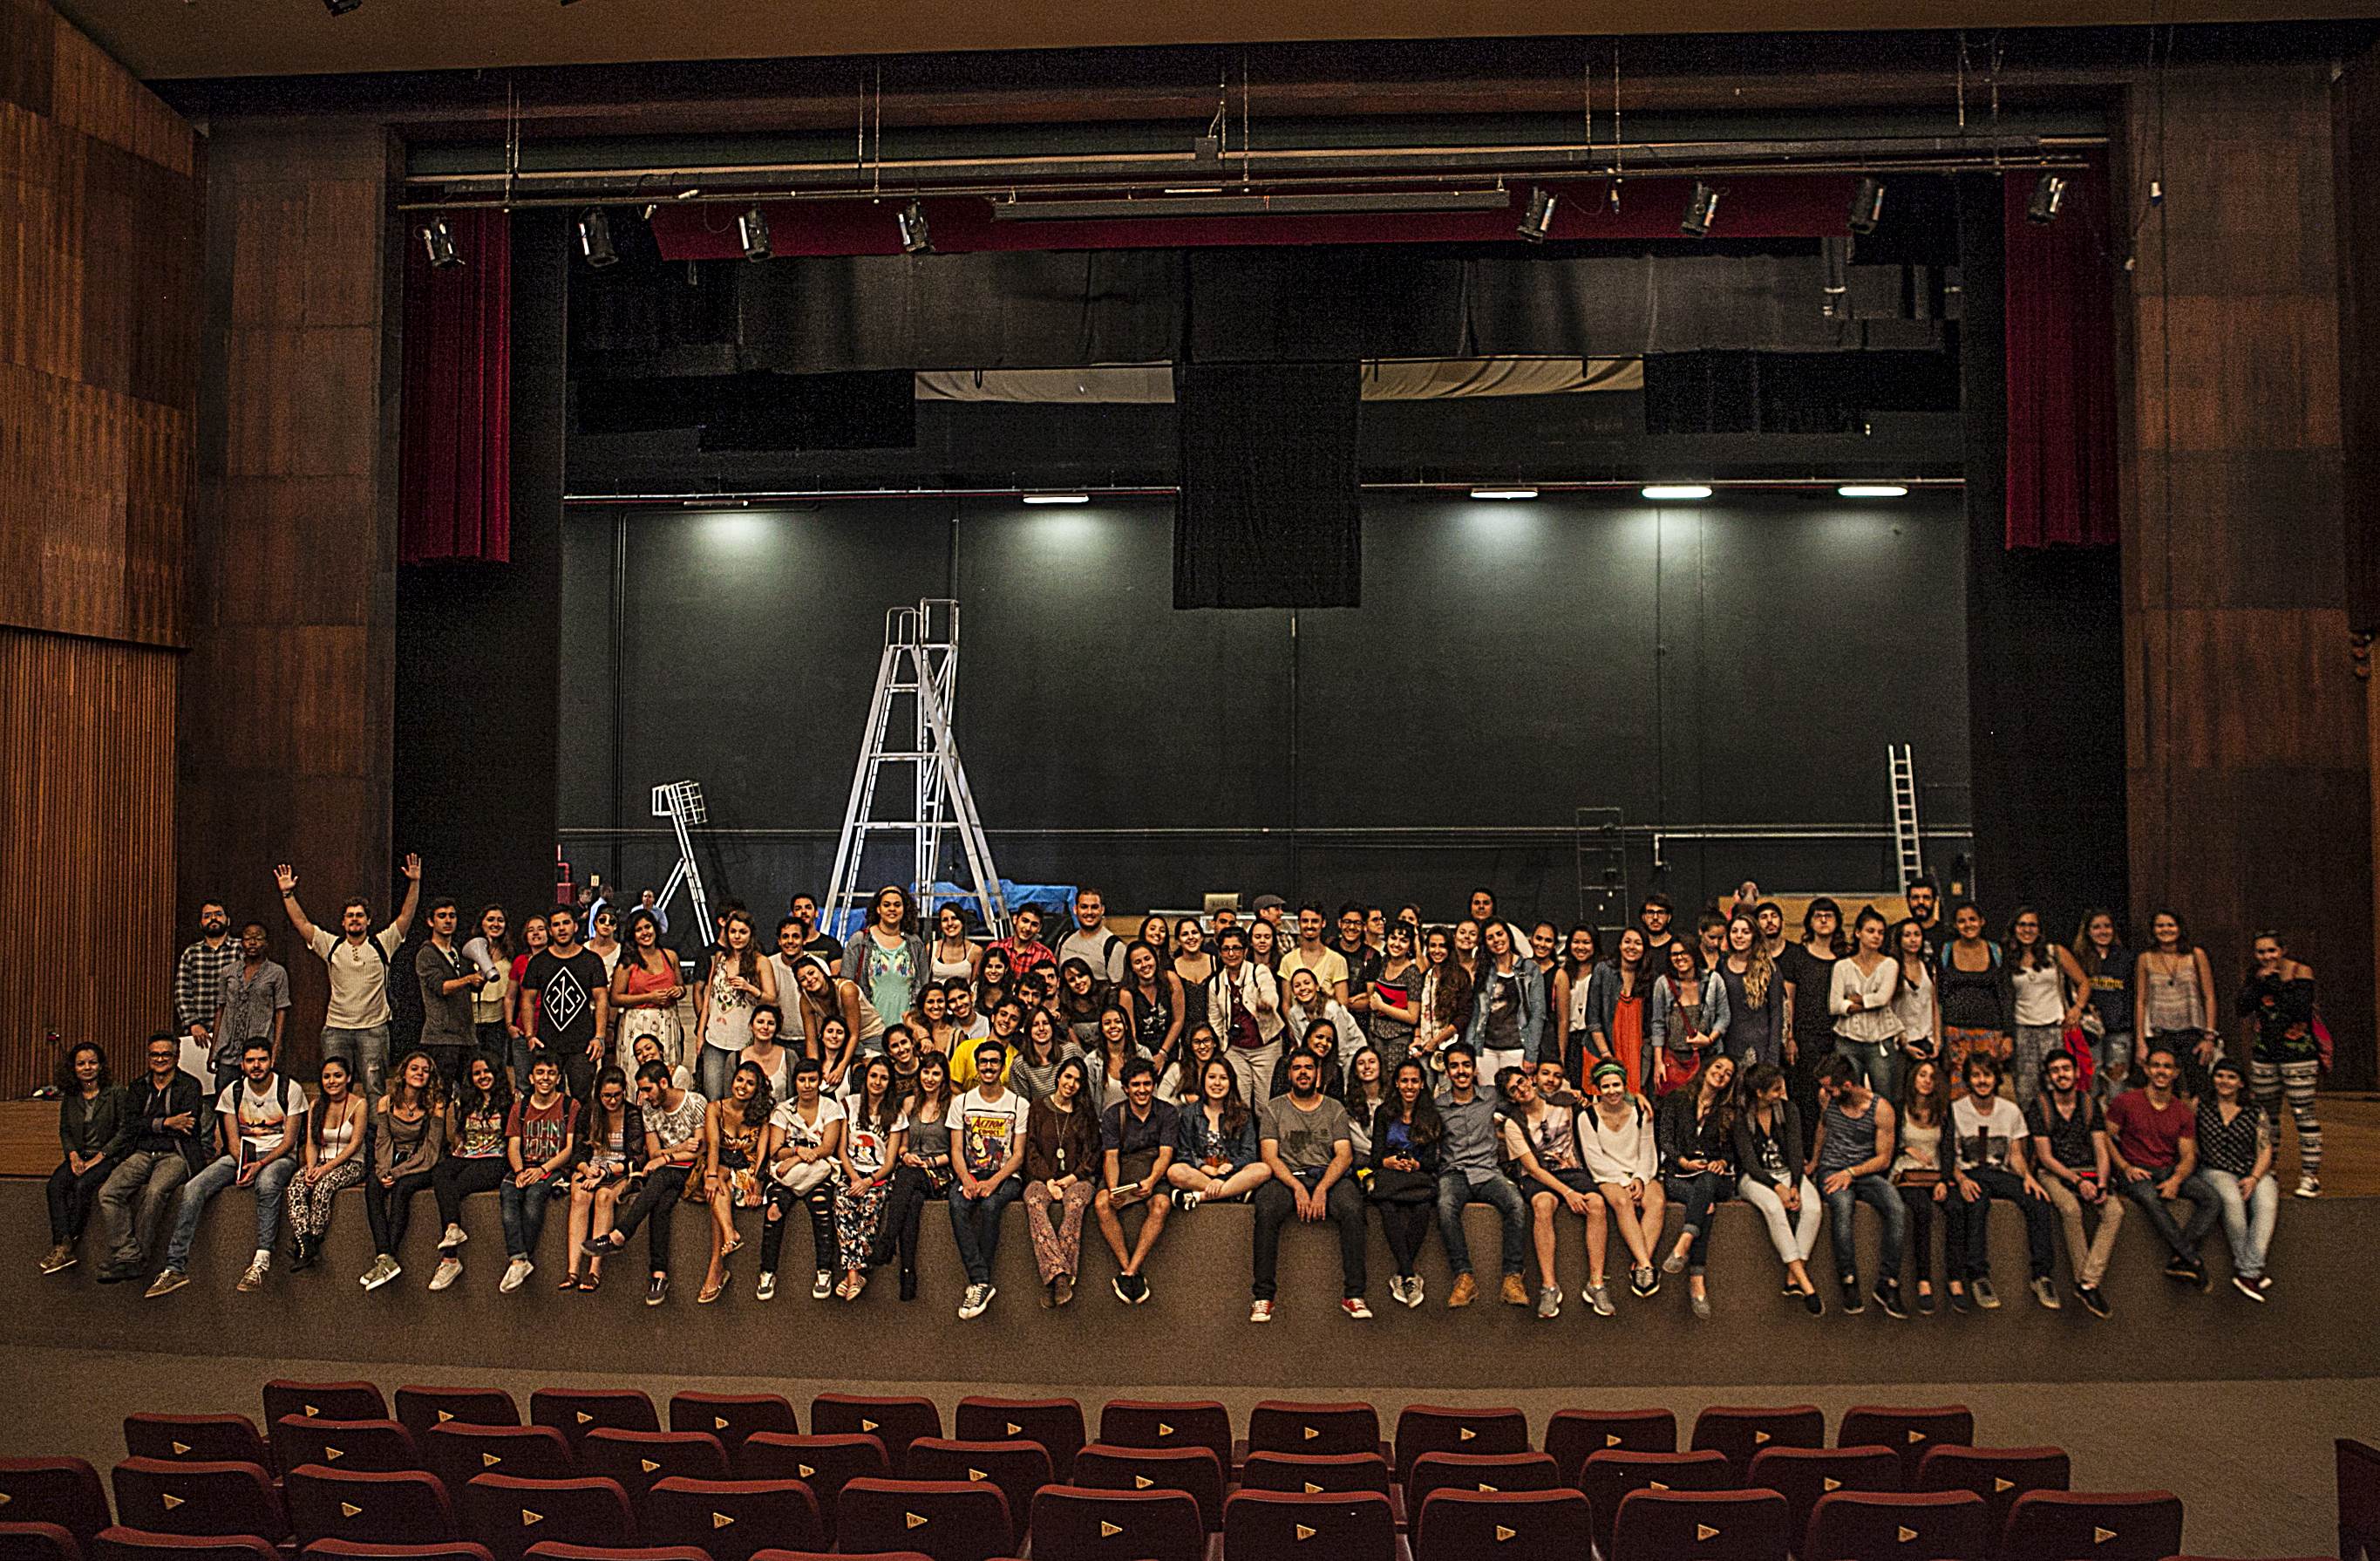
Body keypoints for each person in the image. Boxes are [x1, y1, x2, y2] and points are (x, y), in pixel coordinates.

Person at [148, 1037, 309, 1297]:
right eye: (250, 1061)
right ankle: (175, 1267)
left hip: (278, 1155)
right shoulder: (232, 1091)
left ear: (271, 1061)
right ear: (242, 1064)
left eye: (262, 1060)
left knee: (267, 1183)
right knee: (194, 1187)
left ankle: (261, 1261)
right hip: (242, 1154)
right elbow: (232, 1141)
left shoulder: (289, 1089)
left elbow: (289, 1141)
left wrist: (259, 1165)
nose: (256, 1066)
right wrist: (245, 1164)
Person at [277, 854, 422, 1098]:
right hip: (336, 1029)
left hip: (374, 1029)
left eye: (360, 915)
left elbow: (406, 916)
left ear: (368, 921)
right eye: (350, 916)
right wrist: (287, 894)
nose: (355, 919)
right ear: (343, 922)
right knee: (335, 1089)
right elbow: (302, 923)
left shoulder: (383, 943)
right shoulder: (331, 945)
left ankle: (375, 1126)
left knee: (374, 1089)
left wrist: (414, 882)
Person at [1248, 1048, 1369, 1323]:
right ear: (1289, 1074)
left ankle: (1354, 1294)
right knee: (1266, 1208)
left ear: (1318, 1074)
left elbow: (1344, 1155)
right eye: (1297, 1068)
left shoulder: (1334, 1108)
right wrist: (1298, 1188)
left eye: (1309, 1068)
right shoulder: (1274, 1108)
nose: (1303, 1073)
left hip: (1328, 1176)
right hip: (1287, 1177)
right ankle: (1263, 1297)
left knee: (1352, 1207)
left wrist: (1322, 1188)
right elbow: (1269, 1157)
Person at [581, 1061, 707, 1306]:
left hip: (694, 1170)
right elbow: (653, 1152)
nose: (644, 1097)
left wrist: (667, 1157)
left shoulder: (695, 1102)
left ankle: (620, 1234)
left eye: (648, 1089)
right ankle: (658, 1275)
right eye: (641, 1090)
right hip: (668, 1169)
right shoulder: (649, 1108)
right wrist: (679, 1149)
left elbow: (700, 1149)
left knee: (661, 1176)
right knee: (661, 1206)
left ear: (664, 1083)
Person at [1942, 1053, 2060, 1312]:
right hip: (1970, 1173)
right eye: (1976, 1075)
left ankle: (2042, 1276)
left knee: (2038, 1201)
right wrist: (1960, 1179)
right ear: (1967, 1080)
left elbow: (2015, 1155)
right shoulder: (1955, 1109)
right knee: (1976, 1202)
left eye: (1987, 1075)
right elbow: (1947, 1156)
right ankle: (1978, 1276)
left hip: (2000, 1172)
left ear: (1996, 1079)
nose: (1982, 1081)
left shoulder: (2011, 1111)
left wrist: (2028, 1177)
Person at [94, 1033, 210, 1284]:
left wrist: (150, 1124)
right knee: (109, 1192)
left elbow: (187, 1125)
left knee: (155, 1192)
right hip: (142, 1153)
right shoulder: (138, 1087)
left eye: (165, 1054)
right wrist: (166, 1122)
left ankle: (136, 1260)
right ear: (148, 1057)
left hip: (176, 1153)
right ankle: (128, 1254)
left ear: (176, 1057)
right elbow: (130, 1125)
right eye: (155, 1054)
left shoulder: (190, 1086)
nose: (160, 1059)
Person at [1503, 1057, 1613, 1319]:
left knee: (1597, 1204)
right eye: (1513, 1090)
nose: (1521, 1089)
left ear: (1530, 1079)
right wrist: (1567, 1193)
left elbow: (1605, 1104)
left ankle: (1596, 1284)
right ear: (1510, 1098)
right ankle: (1549, 1287)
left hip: (1571, 1170)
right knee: (1543, 1206)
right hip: (1539, 1176)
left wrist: (1636, 1098)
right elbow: (1533, 1169)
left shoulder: (1565, 1103)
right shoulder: (1513, 1123)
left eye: (1521, 1082)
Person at [2105, 1045, 2220, 1290]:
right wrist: (2124, 1167)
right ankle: (2194, 1260)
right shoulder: (2126, 1101)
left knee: (2211, 1198)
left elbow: (2188, 1155)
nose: (2161, 1071)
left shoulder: (2182, 1111)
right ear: (2147, 1070)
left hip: (2168, 1169)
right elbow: (2104, 1137)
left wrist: (2176, 1180)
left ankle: (2180, 1258)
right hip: (2135, 1168)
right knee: (2149, 1197)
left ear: (2176, 1073)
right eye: (2156, 1066)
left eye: (2167, 1067)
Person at [1807, 1054, 1907, 1318]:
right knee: (1842, 1207)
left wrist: (1851, 1173)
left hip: (1864, 1170)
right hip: (1832, 1168)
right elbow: (1822, 1127)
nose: (1827, 1093)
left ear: (1848, 1085)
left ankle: (1888, 1282)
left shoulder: (1881, 1109)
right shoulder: (1826, 1098)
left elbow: (1883, 1159)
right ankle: (1848, 1280)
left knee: (1895, 1207)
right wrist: (1815, 1162)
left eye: (1832, 1088)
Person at [1431, 1044, 1530, 1307]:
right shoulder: (1437, 1106)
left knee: (1516, 1203)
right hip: (1454, 1172)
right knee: (1445, 1206)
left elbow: (1526, 1100)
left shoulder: (1490, 1096)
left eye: (1466, 1065)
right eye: (1454, 1066)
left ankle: (1512, 1279)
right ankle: (1464, 1278)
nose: (1461, 1071)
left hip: (1488, 1171)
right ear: (1447, 1071)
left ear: (1475, 1069)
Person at [2026, 1049, 2120, 1317]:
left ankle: (2087, 1281)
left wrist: (2102, 1183)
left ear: (2077, 1073)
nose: (2061, 1075)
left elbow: (2101, 1148)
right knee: (2070, 1209)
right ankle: (2087, 1283)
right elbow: (2045, 1157)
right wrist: (2077, 1182)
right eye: (2055, 1071)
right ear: (2049, 1076)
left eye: (2066, 1069)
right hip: (2055, 1172)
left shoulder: (2089, 1104)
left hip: (2089, 1170)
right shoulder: (2040, 1106)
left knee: (2115, 1211)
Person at [1731, 1061, 1824, 1312]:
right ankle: (1806, 1284)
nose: (1781, 1093)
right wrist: (1777, 1187)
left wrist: (1794, 1184)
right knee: (1774, 1208)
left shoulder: (1788, 1110)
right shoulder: (1741, 1116)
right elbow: (1749, 1163)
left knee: (1813, 1209)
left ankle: (1793, 1278)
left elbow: (1796, 1149)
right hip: (1755, 1178)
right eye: (1775, 1090)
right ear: (1759, 1093)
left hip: (1788, 1173)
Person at [949, 1038, 1029, 1319]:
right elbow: (956, 1150)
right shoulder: (961, 1102)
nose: (988, 1067)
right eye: (983, 1062)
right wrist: (967, 1180)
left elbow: (1018, 1155)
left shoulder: (1019, 1104)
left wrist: (993, 1183)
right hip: (970, 1174)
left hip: (1006, 1176)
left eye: (994, 1062)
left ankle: (978, 1283)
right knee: (957, 1205)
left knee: (991, 1206)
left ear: (1002, 1066)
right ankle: (981, 1281)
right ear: (976, 1066)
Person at [2238, 931, 2322, 1197]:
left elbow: (2299, 1010)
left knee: (2303, 1113)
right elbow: (2242, 1007)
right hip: (2265, 1053)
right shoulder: (2256, 975)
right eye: (2261, 952)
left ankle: (2310, 1175)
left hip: (2298, 1053)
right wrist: (2257, 984)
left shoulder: (2301, 971)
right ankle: (2268, 1170)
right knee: (2267, 1116)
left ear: (2282, 950)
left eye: (2271, 951)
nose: (2266, 957)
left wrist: (2274, 983)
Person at [1656, 1053, 1737, 1319]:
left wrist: (1722, 1162)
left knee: (1708, 1182)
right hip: (1679, 1174)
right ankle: (1696, 1279)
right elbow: (1665, 1139)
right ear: (1706, 1068)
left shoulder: (1728, 1111)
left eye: (1728, 1073)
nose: (1721, 1074)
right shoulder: (1677, 1098)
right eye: (1718, 1067)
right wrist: (1683, 1161)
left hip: (1714, 1177)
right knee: (1706, 1206)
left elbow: (1733, 1151)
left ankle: (1684, 1243)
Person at [1576, 1060, 1666, 1299]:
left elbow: (1647, 1150)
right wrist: (1623, 1183)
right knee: (1623, 1202)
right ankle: (1646, 1265)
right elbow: (1594, 1159)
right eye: (1606, 1086)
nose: (1612, 1091)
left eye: (1616, 1085)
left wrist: (1639, 1178)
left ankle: (1639, 1265)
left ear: (1624, 1086)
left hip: (1639, 1170)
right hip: (1608, 1175)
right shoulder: (1587, 1117)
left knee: (1656, 1201)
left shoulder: (1641, 1112)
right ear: (1598, 1089)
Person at [756, 1054, 840, 1303]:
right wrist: (796, 1152)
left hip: (818, 1173)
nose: (807, 1085)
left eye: (812, 1079)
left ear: (819, 1081)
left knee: (822, 1207)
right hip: (787, 1178)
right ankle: (767, 1272)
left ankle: (824, 1271)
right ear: (795, 1082)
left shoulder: (830, 1108)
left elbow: (828, 1147)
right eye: (802, 1080)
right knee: (774, 1210)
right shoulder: (783, 1110)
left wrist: (795, 1159)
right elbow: (776, 1150)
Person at [359, 1050, 445, 1291]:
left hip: (423, 1164)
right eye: (414, 1068)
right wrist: (383, 1171)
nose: (420, 1073)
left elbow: (430, 1152)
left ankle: (389, 1256)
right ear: (404, 1073)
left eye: (425, 1070)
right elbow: (383, 1141)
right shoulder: (386, 1102)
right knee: (373, 1186)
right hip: (394, 1159)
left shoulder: (435, 1105)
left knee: (403, 1189)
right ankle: (384, 1256)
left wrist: (396, 1174)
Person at [426, 1056, 513, 1292]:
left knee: (456, 1187)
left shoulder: (511, 1102)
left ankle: (450, 1259)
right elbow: (459, 1135)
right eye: (477, 1073)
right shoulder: (465, 1100)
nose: (483, 1077)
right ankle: (453, 1229)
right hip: (467, 1155)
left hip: (495, 1159)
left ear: (496, 1073)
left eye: (487, 1071)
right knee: (440, 1173)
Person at [1095, 1058, 1177, 1303]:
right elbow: (1111, 1157)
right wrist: (1114, 1189)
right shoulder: (1113, 1115)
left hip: (1154, 1171)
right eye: (1136, 1085)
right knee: (1101, 1203)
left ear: (1154, 1085)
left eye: (1147, 1084)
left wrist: (1151, 1181)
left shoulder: (1167, 1113)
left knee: (1161, 1205)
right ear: (1125, 1088)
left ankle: (1131, 1271)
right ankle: (1127, 1267)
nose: (1142, 1090)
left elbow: (1166, 1154)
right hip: (1123, 1169)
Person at [1022, 1055, 1101, 1306]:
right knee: (1034, 1201)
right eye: (1068, 1077)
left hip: (1078, 1178)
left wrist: (1071, 1178)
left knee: (1075, 1203)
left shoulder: (1084, 1113)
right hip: (1042, 1178)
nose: (1071, 1084)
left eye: (1078, 1080)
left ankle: (1055, 1279)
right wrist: (1049, 1180)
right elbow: (1030, 1149)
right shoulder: (1037, 1108)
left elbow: (1093, 1153)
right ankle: (1060, 1276)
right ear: (1058, 1077)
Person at [2196, 1058, 2278, 1299]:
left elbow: (2265, 1149)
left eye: (2231, 1077)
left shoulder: (2255, 1111)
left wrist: (2254, 1177)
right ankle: (2251, 1271)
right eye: (2220, 1075)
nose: (2225, 1081)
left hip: (2251, 1169)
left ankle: (2247, 1271)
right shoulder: (2200, 1105)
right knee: (2232, 1201)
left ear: (2241, 1083)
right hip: (2215, 1168)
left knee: (2267, 1204)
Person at [498, 1053, 579, 1293]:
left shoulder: (569, 1105)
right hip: (524, 1165)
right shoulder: (520, 1107)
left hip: (553, 1167)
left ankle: (523, 1257)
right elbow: (513, 1145)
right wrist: (520, 1171)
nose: (546, 1078)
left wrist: (542, 1170)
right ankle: (518, 1260)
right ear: (531, 1078)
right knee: (508, 1192)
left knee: (535, 1195)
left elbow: (569, 1149)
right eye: (540, 1073)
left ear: (558, 1078)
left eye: (551, 1073)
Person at [41, 1040, 123, 1274]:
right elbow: (65, 1130)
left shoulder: (116, 1092)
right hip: (80, 1155)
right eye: (81, 1064)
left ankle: (68, 1244)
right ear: (73, 1068)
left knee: (82, 1186)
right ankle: (62, 1244)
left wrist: (100, 1157)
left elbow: (124, 1131)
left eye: (92, 1062)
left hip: (108, 1156)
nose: (87, 1068)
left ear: (101, 1065)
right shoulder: (71, 1095)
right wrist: (73, 1156)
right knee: (55, 1186)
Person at [697, 1060, 775, 1305]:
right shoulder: (715, 1108)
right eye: (740, 1080)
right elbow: (713, 1146)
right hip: (720, 1165)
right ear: (732, 1081)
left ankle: (717, 1265)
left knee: (721, 1191)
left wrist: (758, 1185)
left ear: (757, 1089)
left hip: (747, 1170)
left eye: (750, 1083)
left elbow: (763, 1154)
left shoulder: (762, 1113)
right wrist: (711, 1176)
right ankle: (729, 1234)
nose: (743, 1086)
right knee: (716, 1180)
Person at [879, 1054, 955, 1302]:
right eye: (926, 1072)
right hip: (911, 1171)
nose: (929, 1078)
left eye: (936, 1073)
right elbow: (901, 1146)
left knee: (908, 1177)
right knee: (912, 1203)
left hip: (940, 1171)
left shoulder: (953, 1104)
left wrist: (929, 1162)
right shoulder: (909, 1103)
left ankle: (887, 1240)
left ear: (944, 1078)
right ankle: (907, 1274)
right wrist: (905, 1155)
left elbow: (957, 1151)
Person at [833, 1055, 908, 1299]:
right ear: (865, 1078)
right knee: (843, 1203)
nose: (877, 1082)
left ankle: (852, 1274)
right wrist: (855, 1178)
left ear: (890, 1083)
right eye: (873, 1076)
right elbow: (841, 1150)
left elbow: (890, 1162)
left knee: (869, 1207)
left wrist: (868, 1182)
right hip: (851, 1172)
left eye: (883, 1078)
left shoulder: (896, 1114)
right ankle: (855, 1274)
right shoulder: (849, 1104)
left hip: (878, 1177)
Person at [284, 1056, 368, 1273]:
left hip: (351, 1162)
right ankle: (305, 1242)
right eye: (326, 1077)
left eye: (337, 1076)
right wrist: (312, 1167)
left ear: (348, 1078)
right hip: (320, 1160)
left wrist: (324, 1170)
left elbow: (355, 1145)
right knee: (296, 1185)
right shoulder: (316, 1105)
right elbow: (311, 1142)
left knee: (324, 1186)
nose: (332, 1081)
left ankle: (314, 1239)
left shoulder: (359, 1104)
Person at [520, 907, 611, 1101]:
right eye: (556, 925)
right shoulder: (538, 962)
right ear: (550, 930)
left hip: (583, 1045)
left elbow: (602, 999)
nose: (561, 928)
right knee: (547, 1097)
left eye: (566, 923)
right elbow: (527, 1000)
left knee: (582, 1099)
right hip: (547, 1043)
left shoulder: (591, 960)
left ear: (575, 926)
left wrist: (599, 1037)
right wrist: (529, 1035)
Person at [562, 1068, 637, 1291]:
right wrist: (586, 1169)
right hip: (592, 1165)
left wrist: (606, 1172)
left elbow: (637, 1157)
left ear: (624, 1092)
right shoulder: (589, 1112)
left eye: (617, 1095)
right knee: (580, 1196)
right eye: (607, 1096)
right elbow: (577, 1152)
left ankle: (594, 1269)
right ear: (599, 1094)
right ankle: (573, 1269)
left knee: (603, 1197)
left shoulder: (632, 1114)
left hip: (619, 1168)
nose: (612, 1101)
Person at [2005, 907, 2089, 1108]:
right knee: (2026, 1092)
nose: (2027, 930)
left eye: (2032, 925)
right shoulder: (2007, 957)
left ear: (2040, 929)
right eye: (2022, 925)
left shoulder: (2055, 953)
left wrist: (2077, 1008)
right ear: (2014, 929)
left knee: (2058, 1085)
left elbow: (2084, 982)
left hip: (2055, 1029)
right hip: (2023, 1030)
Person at [1779, 899, 1848, 1134]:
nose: (1824, 920)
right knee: (1807, 1097)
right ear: (1810, 922)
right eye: (1818, 916)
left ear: (1838, 921)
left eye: (1829, 916)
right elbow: (1789, 999)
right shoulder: (1797, 956)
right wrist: (1789, 1037)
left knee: (1837, 1095)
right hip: (1806, 1036)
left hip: (1839, 1035)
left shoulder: (1845, 957)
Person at [694, 910, 779, 1101]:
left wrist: (750, 988)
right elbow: (708, 997)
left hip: (743, 1039)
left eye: (743, 932)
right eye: (733, 932)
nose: (737, 937)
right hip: (715, 1038)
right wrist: (700, 1034)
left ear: (751, 934)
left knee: (738, 1095)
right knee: (713, 1095)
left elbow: (772, 999)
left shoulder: (761, 961)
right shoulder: (719, 957)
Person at [2139, 910, 2220, 1101]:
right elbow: (2141, 1001)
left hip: (2193, 1032)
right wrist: (2141, 1041)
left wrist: (2210, 1036)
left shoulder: (2196, 954)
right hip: (2160, 1033)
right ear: (2153, 930)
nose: (2165, 929)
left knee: (2199, 1087)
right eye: (2160, 926)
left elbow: (2209, 996)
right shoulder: (2145, 958)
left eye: (2170, 925)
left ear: (2179, 928)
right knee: (2164, 1088)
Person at [1891, 1057, 1950, 1313]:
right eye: (1922, 1075)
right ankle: (1923, 1281)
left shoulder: (1944, 1111)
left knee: (1957, 1208)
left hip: (1934, 1174)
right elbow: (1886, 1145)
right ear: (1913, 1078)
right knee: (1922, 1209)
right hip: (1906, 1173)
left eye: (1932, 1077)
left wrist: (1945, 1180)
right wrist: (1907, 1149)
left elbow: (1948, 1149)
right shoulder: (1899, 1108)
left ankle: (1957, 1280)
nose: (1927, 1081)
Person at [1167, 1057, 1268, 1205]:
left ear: (1231, 1082)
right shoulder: (1190, 1113)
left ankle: (1199, 1196)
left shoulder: (1243, 1113)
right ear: (1203, 1080)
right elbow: (1184, 1153)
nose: (1217, 1083)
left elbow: (1249, 1153)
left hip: (1233, 1172)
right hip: (1202, 1174)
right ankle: (1233, 1193)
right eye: (1212, 1077)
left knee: (1263, 1169)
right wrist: (1207, 1169)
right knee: (1175, 1171)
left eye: (1223, 1078)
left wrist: (1228, 1171)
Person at [1828, 906, 1905, 1101]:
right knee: (1848, 1097)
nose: (1876, 936)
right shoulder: (1842, 966)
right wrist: (1863, 1003)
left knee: (1885, 1097)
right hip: (1847, 1040)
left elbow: (1883, 999)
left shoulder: (1890, 964)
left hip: (1880, 1041)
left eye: (1881, 932)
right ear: (1858, 933)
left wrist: (1855, 1001)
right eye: (1871, 931)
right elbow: (1834, 1005)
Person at [1937, 903, 2014, 1087]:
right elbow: (1939, 994)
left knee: (1986, 1083)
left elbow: (2005, 995)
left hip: (1990, 1031)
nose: (1968, 925)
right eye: (1961, 921)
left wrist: (2008, 1034)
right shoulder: (1946, 951)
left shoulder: (1996, 951)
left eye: (1972, 919)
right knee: (1958, 1086)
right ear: (1955, 925)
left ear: (1982, 922)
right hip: (1955, 1031)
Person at [210, 923, 290, 1094]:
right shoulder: (228, 971)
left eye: (258, 938)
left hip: (259, 1047)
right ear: (242, 943)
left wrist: (276, 1047)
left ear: (266, 943)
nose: (253, 943)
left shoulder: (277, 973)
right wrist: (214, 1049)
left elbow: (281, 1011)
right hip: (229, 1049)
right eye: (248, 939)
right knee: (224, 1095)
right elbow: (221, 1009)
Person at [1210, 928, 1286, 1108]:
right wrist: (1221, 1048)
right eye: (1226, 949)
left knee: (1264, 1106)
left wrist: (1266, 1004)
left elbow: (1270, 994)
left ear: (1245, 950)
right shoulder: (1216, 983)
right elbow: (1215, 1019)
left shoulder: (1259, 972)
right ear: (1220, 952)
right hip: (1236, 1050)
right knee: (1240, 1104)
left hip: (1266, 1048)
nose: (1231, 953)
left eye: (1236, 948)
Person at [1466, 922, 1547, 1087]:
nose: (1496, 940)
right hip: (1485, 1049)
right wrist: (1469, 1053)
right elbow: (1475, 1014)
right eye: (1490, 937)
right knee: (1488, 1097)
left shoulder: (1529, 968)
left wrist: (1531, 1054)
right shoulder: (1483, 969)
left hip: (1517, 1048)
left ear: (1508, 935)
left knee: (1515, 1096)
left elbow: (1538, 1014)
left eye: (1499, 934)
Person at [417, 898, 486, 1087]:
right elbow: (441, 987)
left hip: (467, 1036)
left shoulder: (458, 952)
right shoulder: (427, 953)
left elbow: (473, 987)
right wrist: (469, 979)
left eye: (452, 916)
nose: (448, 920)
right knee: (441, 1092)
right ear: (430, 921)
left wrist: (482, 974)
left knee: (470, 1092)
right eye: (442, 916)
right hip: (441, 1038)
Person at [1648, 941, 1730, 1098]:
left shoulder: (1713, 980)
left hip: (1708, 1056)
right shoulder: (1663, 983)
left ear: (1694, 954)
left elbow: (1724, 1016)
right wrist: (1658, 1062)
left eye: (1684, 952)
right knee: (1677, 1102)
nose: (1679, 958)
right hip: (1675, 1059)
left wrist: (1709, 1039)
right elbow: (1658, 1024)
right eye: (1674, 954)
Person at [847, 886, 929, 1036]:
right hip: (869, 1031)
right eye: (886, 905)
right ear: (878, 909)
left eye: (897, 905)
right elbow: (846, 986)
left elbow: (924, 988)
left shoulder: (915, 943)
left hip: (906, 1032)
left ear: (904, 909)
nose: (892, 909)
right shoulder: (860, 941)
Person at [612, 910, 687, 1075]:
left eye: (648, 927)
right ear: (633, 935)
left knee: (667, 1073)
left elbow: (682, 987)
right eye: (639, 930)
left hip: (667, 1022)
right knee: (637, 1073)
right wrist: (649, 997)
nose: (645, 932)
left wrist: (679, 991)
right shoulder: (628, 962)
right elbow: (615, 998)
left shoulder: (670, 956)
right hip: (638, 1024)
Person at [792, 954, 882, 1088]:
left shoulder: (846, 989)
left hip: (870, 1036)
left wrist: (841, 1067)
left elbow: (854, 1034)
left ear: (822, 972)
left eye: (811, 973)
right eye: (803, 979)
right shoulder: (806, 1001)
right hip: (842, 1038)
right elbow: (811, 1041)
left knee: (864, 1077)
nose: (809, 980)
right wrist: (814, 1072)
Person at [2071, 910, 2135, 1097]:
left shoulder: (2126, 958)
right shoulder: (2078, 958)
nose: (2103, 931)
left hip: (2120, 1030)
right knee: (2090, 1082)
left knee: (2117, 1081)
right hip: (2089, 1031)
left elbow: (2133, 994)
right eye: (2096, 927)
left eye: (2107, 926)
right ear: (2088, 931)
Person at [175, 900, 241, 1069]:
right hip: (200, 1034)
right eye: (207, 916)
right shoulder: (191, 953)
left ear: (228, 920)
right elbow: (182, 992)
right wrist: (193, 1023)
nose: (213, 919)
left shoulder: (241, 949)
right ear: (200, 923)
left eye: (218, 914)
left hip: (235, 1033)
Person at [1583, 928, 1649, 1092]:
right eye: (1627, 942)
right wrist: (1607, 1056)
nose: (1632, 947)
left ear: (1644, 949)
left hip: (1635, 1052)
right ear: (1619, 945)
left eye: (1638, 943)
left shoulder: (1649, 977)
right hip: (1602, 1049)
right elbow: (1592, 1018)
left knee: (1632, 1099)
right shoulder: (1603, 970)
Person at [1719, 916, 1784, 1069]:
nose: (1739, 936)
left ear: (1754, 935)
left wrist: (1773, 1055)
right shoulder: (1721, 965)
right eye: (1734, 931)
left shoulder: (1769, 968)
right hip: (1729, 1046)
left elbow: (1776, 1013)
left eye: (1745, 932)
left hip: (1760, 1047)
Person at [1119, 942, 1186, 1082]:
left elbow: (1178, 1020)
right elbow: (1131, 1034)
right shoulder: (1126, 993)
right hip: (1141, 1055)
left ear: (1155, 959)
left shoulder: (1171, 979)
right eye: (1138, 962)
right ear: (1131, 967)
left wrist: (1163, 1054)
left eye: (1147, 958)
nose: (1144, 965)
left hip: (1170, 1050)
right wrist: (1144, 1061)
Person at [1365, 923, 1423, 1077]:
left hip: (1399, 1040)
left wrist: (1381, 1006)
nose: (1396, 944)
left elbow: (1412, 1017)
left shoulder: (1412, 973)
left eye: (1403, 940)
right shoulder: (1383, 962)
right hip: (1375, 1035)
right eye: (1393, 938)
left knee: (1393, 1082)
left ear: (1410, 946)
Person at [466, 906, 517, 1074]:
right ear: (482, 923)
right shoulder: (468, 952)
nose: (495, 924)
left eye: (500, 920)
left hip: (498, 1023)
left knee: (496, 1067)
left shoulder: (511, 954)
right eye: (490, 920)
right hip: (470, 1022)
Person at [1413, 927, 1472, 1075]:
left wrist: (1437, 1041)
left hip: (1450, 1048)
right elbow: (1420, 1012)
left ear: (1450, 948)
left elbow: (1464, 1016)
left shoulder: (1460, 976)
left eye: (1442, 946)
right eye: (1433, 945)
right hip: (1425, 1048)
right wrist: (1417, 1038)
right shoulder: (1426, 975)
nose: (1437, 950)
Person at [1889, 917, 1941, 1073]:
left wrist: (1937, 1041)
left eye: (1917, 935)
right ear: (1899, 939)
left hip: (1927, 1040)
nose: (1913, 940)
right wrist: (1903, 1042)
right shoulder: (1892, 968)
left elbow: (1934, 1005)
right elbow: (1888, 1009)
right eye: (1907, 935)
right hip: (1902, 1041)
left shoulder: (1929, 967)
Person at [1056, 888, 1128, 985]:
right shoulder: (1065, 939)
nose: (1089, 912)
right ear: (1075, 909)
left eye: (1094, 907)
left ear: (1102, 910)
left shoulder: (1114, 947)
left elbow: (1118, 988)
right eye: (1084, 907)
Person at [1171, 918, 1215, 1039]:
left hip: (1214, 1030)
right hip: (1183, 1034)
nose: (1191, 937)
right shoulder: (1171, 967)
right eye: (1185, 934)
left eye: (1195, 932)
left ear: (1202, 937)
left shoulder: (1216, 962)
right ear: (1178, 941)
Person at [989, 905, 1055, 978]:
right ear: (1015, 919)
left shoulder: (1045, 956)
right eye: (1025, 921)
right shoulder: (996, 947)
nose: (1028, 928)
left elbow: (1051, 982)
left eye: (1034, 924)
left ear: (1039, 928)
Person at [930, 904, 983, 985]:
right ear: (940, 925)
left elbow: (974, 986)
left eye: (954, 918)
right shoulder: (931, 948)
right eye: (945, 920)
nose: (950, 923)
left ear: (962, 922)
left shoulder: (976, 951)